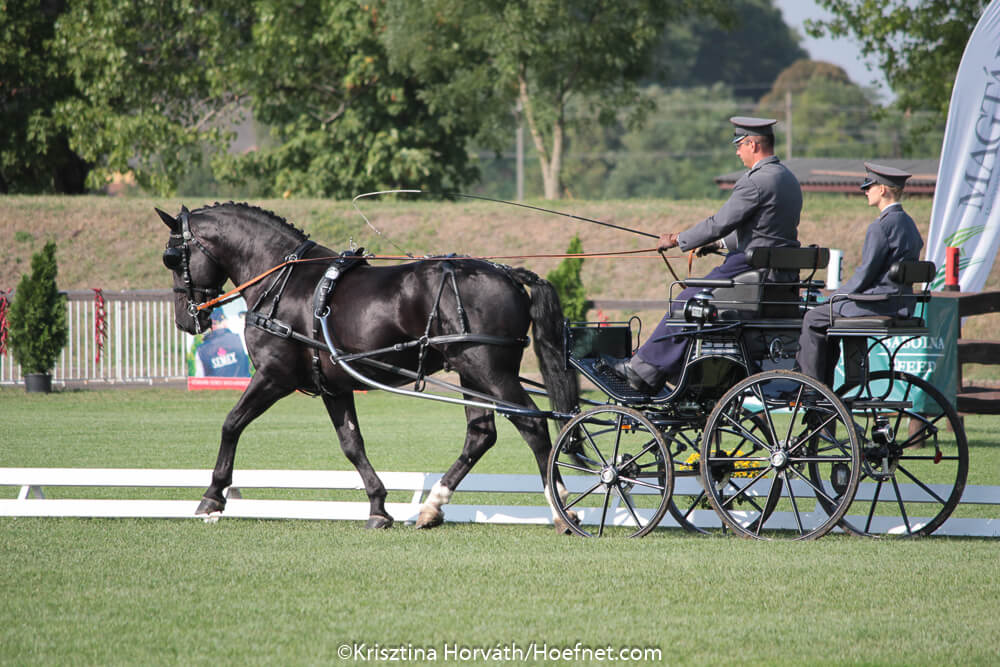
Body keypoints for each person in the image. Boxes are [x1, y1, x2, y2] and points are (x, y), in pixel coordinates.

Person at [612, 116, 802, 393]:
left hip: (750, 269)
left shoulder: (755, 181)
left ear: (752, 144)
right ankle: (671, 369)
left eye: (739, 145)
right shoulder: (788, 179)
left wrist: (677, 239)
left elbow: (719, 223)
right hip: (779, 275)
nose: (737, 152)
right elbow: (765, 229)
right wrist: (718, 245)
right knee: (693, 298)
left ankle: (642, 369)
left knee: (686, 299)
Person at [795, 162, 923, 384]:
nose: (865, 191)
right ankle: (823, 388)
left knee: (814, 316)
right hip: (902, 303)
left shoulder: (881, 226)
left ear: (882, 190)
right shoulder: (908, 223)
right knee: (828, 318)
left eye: (869, 187)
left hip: (879, 303)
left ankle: (812, 387)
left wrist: (836, 295)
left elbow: (866, 273)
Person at [196, 309, 251, 377]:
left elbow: (199, 379)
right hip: (242, 386)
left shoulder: (201, 350)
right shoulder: (240, 338)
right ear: (224, 323)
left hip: (215, 387)